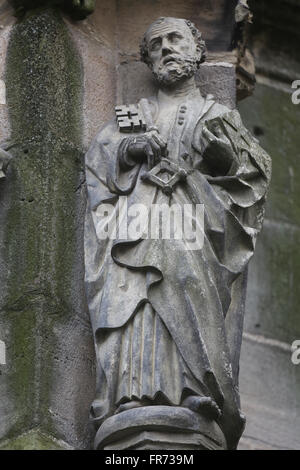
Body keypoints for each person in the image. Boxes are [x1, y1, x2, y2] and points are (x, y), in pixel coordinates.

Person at [84, 17, 271, 449]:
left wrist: (221, 156)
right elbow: (98, 165)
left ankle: (194, 389)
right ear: (147, 59)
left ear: (197, 49)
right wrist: (130, 150)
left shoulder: (218, 115)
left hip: (192, 237)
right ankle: (128, 396)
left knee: (186, 290)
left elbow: (252, 179)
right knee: (137, 305)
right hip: (136, 230)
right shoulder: (133, 118)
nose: (165, 48)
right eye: (155, 44)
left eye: (175, 39)